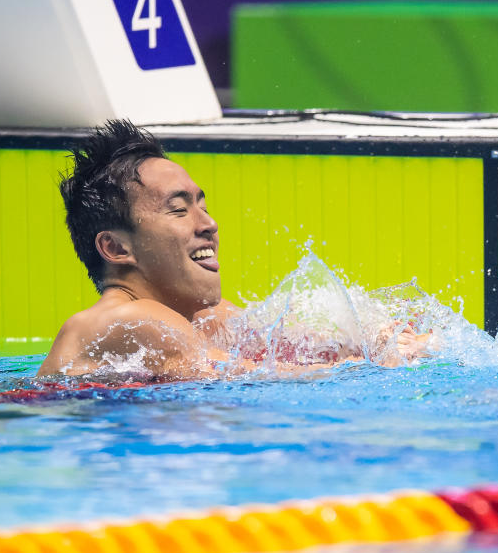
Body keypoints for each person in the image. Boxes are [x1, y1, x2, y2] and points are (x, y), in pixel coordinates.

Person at [38, 120, 428, 378]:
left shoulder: (202, 318)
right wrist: (380, 366)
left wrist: (382, 338)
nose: (208, 224)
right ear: (116, 247)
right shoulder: (126, 320)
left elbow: (300, 349)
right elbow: (258, 382)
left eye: (203, 207)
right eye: (178, 210)